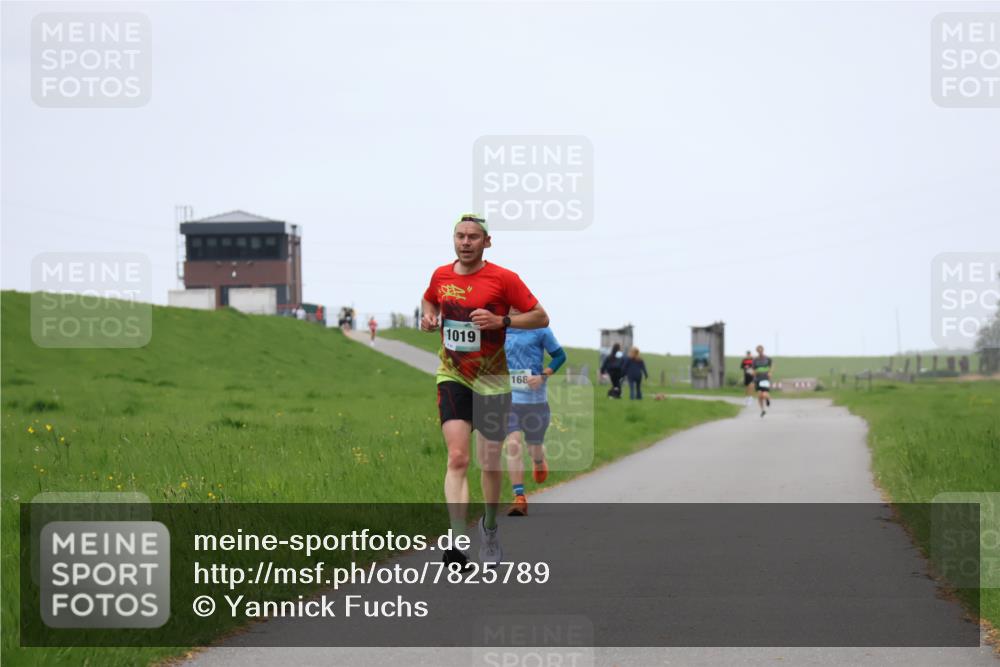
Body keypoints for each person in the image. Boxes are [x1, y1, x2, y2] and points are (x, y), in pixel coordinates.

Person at [421, 213, 549, 567]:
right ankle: (458, 536)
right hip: (453, 374)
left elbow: (540, 316)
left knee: (489, 461)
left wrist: (502, 320)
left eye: (473, 237)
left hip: (493, 380)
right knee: (458, 457)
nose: (465, 242)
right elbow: (429, 298)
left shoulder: (504, 279)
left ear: (486, 242)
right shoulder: (441, 275)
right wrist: (429, 317)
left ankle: (489, 529)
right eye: (460, 236)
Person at [503, 314, 566, 516]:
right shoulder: (500, 327)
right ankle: (519, 497)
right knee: (513, 445)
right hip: (509, 400)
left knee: (534, 449)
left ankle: (539, 461)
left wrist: (543, 376)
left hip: (536, 402)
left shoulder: (540, 328)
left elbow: (560, 356)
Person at [752, 344, 774, 417]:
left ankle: (767, 399)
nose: (760, 352)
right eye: (758, 351)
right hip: (757, 379)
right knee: (759, 395)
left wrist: (770, 373)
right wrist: (753, 374)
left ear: (763, 350)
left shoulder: (768, 359)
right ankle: (762, 410)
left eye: (761, 350)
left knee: (764, 394)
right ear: (757, 351)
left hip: (765, 378)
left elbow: (771, 367)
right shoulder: (755, 360)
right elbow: (753, 369)